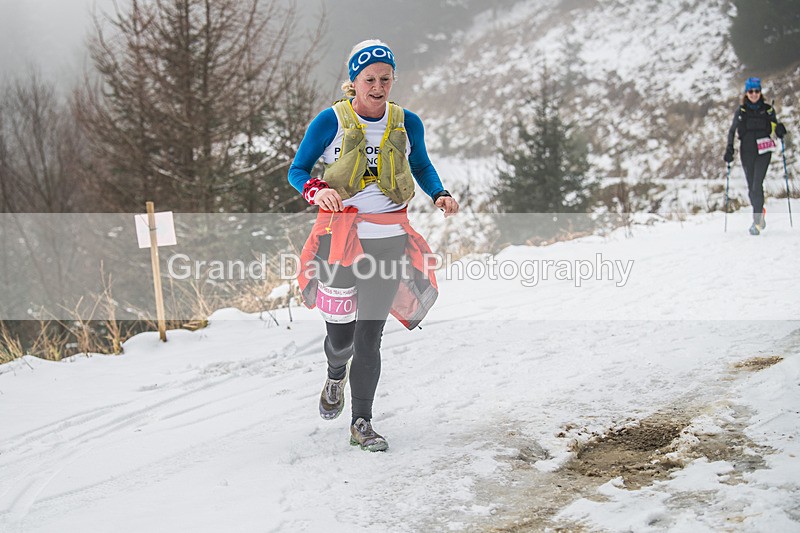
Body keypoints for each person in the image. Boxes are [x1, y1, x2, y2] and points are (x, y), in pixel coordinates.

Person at [288, 39, 459, 452]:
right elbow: (297, 170)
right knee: (342, 339)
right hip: (339, 242)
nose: (378, 86)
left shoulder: (406, 122)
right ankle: (334, 373)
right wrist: (316, 190)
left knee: (369, 338)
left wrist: (439, 193)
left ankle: (361, 423)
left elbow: (420, 165)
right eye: (370, 79)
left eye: (386, 78)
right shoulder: (330, 121)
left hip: (388, 242)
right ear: (354, 81)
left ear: (393, 79)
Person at [724, 77, 787, 235]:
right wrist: (729, 149)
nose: (754, 94)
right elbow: (732, 131)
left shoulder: (768, 110)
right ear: (746, 93)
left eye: (756, 91)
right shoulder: (741, 111)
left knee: (757, 184)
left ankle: (756, 222)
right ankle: (760, 212)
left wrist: (780, 130)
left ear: (760, 92)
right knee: (752, 188)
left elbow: (775, 127)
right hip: (747, 151)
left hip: (764, 151)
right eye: (751, 91)